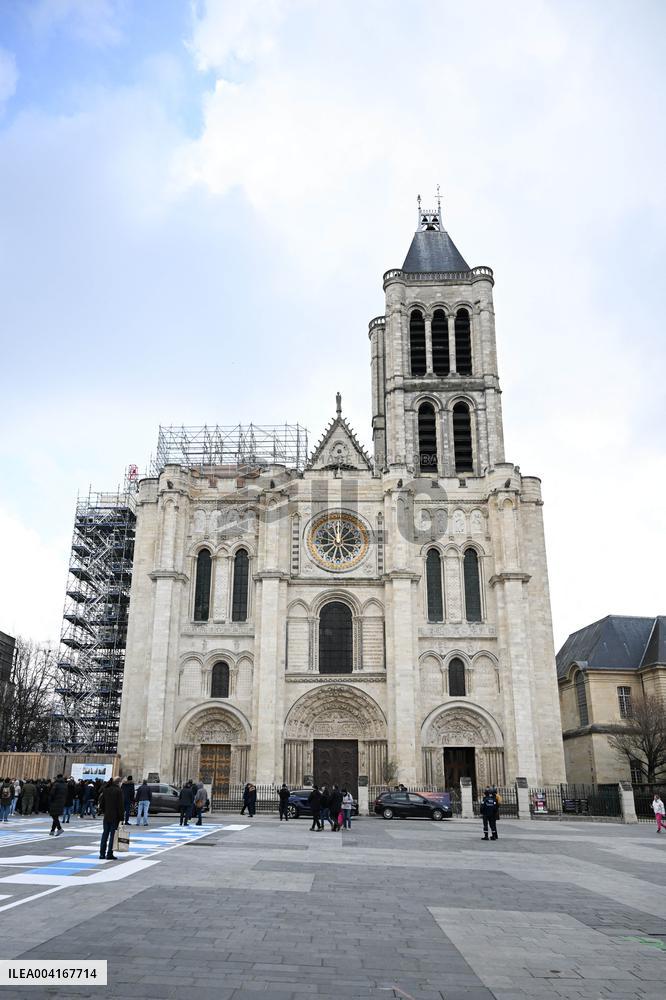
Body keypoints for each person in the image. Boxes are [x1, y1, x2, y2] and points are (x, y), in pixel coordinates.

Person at [98, 777, 124, 861]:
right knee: (113, 836)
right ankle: (109, 853)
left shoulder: (106, 789)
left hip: (107, 816)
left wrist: (105, 811)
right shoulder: (118, 791)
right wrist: (121, 818)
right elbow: (120, 806)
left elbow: (101, 804)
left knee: (105, 834)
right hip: (115, 817)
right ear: (119, 782)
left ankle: (102, 854)